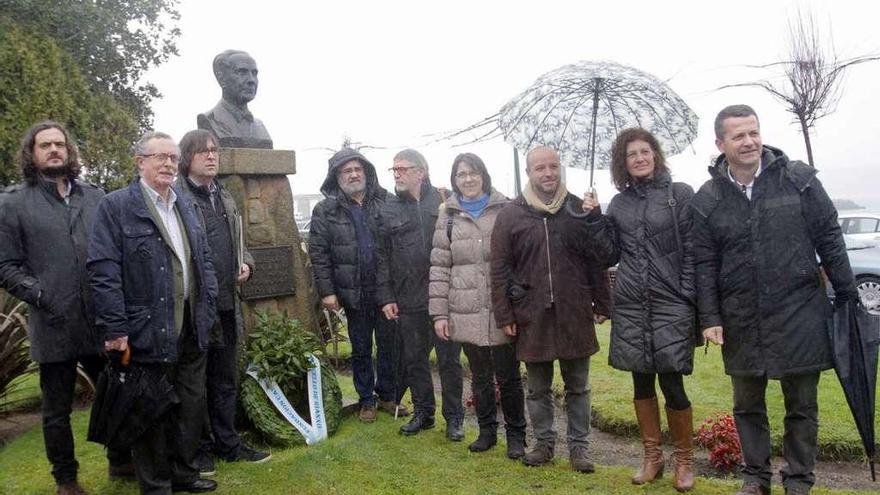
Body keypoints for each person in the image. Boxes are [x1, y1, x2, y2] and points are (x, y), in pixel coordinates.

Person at [692, 105, 856, 495]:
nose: (749, 141)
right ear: (721, 144)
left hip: (799, 311)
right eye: (738, 136)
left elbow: (829, 237)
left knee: (801, 404)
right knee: (748, 405)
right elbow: (703, 262)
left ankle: (799, 481)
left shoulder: (799, 180)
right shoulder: (708, 198)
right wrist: (709, 316)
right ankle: (755, 479)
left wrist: (849, 296)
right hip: (740, 317)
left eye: (753, 132)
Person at [0, 121, 132, 495]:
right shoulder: (12, 202)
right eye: (45, 145)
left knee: (114, 394)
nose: (54, 150)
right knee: (56, 410)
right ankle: (67, 479)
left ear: (69, 151)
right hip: (53, 321)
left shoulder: (95, 197)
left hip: (100, 319)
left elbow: (114, 250)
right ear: (32, 153)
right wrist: (41, 294)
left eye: (60, 144)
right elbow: (5, 265)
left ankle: (120, 461)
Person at [89, 131, 220, 494]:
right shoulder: (115, 207)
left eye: (173, 158)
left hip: (191, 327)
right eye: (159, 156)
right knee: (151, 411)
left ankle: (184, 472)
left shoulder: (186, 205)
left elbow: (202, 260)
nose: (167, 164)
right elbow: (103, 270)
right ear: (139, 162)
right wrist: (115, 328)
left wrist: (207, 307)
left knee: (190, 406)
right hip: (147, 328)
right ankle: (157, 484)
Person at [583, 128, 697, 491]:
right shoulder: (619, 204)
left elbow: (694, 252)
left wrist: (689, 298)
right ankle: (652, 458)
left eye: (644, 151)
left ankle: (684, 461)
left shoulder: (679, 195)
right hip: (632, 304)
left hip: (670, 303)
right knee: (640, 381)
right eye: (631, 154)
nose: (639, 158)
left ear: (655, 154)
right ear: (623, 162)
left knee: (673, 382)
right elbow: (608, 254)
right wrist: (595, 218)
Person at [490, 146, 611, 473]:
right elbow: (500, 269)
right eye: (540, 168)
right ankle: (543, 444)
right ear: (529, 172)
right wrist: (505, 314)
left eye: (553, 166)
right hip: (532, 313)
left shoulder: (577, 208)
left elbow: (596, 260)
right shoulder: (511, 214)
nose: (548, 173)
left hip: (574, 311)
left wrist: (602, 301)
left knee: (578, 387)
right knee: (538, 387)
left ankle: (579, 447)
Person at [174, 130, 270, 475]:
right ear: (187, 157)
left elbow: (237, 239)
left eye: (214, 151)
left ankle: (228, 445)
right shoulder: (176, 197)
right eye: (203, 152)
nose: (211, 157)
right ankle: (199, 450)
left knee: (225, 378)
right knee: (193, 384)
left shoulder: (223, 195)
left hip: (228, 304)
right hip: (195, 308)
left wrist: (247, 263)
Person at [428, 153, 527, 458]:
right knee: (480, 377)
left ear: (484, 175)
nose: (467, 179)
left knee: (509, 376)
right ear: (454, 180)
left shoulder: (506, 209)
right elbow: (440, 266)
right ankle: (486, 432)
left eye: (473, 173)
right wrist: (440, 314)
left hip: (501, 309)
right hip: (466, 310)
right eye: (461, 174)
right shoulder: (447, 216)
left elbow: (520, 260)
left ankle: (516, 435)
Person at [309, 147, 409, 422]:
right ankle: (367, 400)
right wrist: (327, 292)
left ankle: (388, 395)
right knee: (361, 348)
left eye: (358, 169)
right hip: (352, 292)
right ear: (337, 176)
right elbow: (318, 253)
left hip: (386, 291)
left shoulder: (385, 201)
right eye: (347, 171)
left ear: (366, 172)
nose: (353, 175)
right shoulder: (325, 210)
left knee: (390, 345)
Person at [377, 149, 464, 440]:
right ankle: (423, 413)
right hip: (408, 298)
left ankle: (454, 419)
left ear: (421, 171)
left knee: (449, 361)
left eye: (402, 168)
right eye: (394, 170)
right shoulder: (389, 209)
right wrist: (387, 296)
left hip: (446, 297)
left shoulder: (445, 200)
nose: (397, 174)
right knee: (414, 359)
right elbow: (382, 258)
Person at [197, 50, 273, 149]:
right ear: (222, 78)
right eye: (242, 72)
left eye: (254, 73)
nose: (251, 80)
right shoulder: (209, 120)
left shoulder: (259, 127)